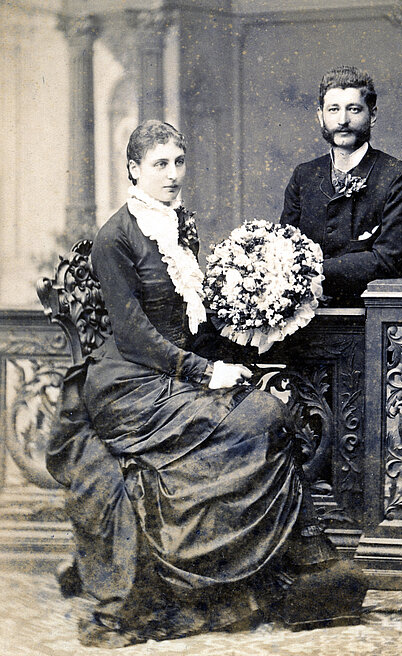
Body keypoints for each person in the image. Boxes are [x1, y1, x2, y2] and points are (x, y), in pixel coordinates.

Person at [46, 120, 367, 647]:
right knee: (257, 416)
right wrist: (208, 373)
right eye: (159, 165)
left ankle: (262, 570)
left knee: (265, 412)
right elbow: (135, 338)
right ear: (134, 170)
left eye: (179, 162)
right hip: (127, 386)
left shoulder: (183, 225)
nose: (173, 175)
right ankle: (228, 571)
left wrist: (252, 323)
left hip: (172, 370)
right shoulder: (116, 238)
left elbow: (192, 320)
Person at [281, 66, 402, 302]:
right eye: (333, 110)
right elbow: (284, 249)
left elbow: (390, 259)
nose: (343, 120)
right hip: (303, 315)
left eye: (354, 109)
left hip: (366, 317)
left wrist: (313, 271)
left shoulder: (397, 176)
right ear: (320, 116)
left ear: (372, 115)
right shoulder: (304, 175)